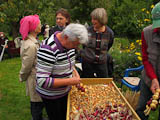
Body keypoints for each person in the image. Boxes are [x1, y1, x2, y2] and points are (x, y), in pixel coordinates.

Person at [36, 23, 88, 120]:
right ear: (66, 37)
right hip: (52, 96)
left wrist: (76, 76)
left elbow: (70, 65)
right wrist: (70, 81)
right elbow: (42, 81)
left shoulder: (69, 44)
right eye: (76, 44)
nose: (76, 47)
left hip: (65, 92)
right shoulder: (48, 49)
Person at [19, 15, 46, 120]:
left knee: (39, 101)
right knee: (36, 103)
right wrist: (22, 76)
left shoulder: (34, 41)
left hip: (38, 76)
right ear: (33, 27)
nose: (41, 25)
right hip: (34, 78)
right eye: (39, 23)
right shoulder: (31, 45)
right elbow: (27, 65)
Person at [136, 2, 160, 120]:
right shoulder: (146, 32)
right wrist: (153, 79)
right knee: (140, 109)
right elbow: (145, 59)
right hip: (149, 78)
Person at [81, 8, 114, 78]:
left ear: (101, 20)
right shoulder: (87, 31)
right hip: (87, 63)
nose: (92, 21)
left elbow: (109, 46)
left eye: (95, 19)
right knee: (87, 84)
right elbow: (84, 45)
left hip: (102, 63)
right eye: (92, 19)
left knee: (103, 84)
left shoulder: (110, 33)